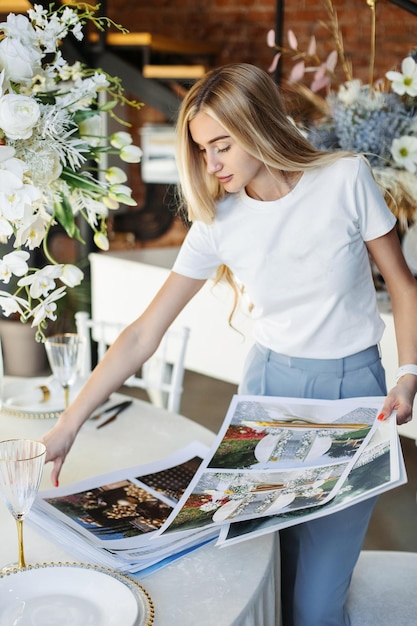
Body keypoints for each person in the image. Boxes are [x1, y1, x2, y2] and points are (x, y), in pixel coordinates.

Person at [42, 63, 417, 626]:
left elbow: (405, 287)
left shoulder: (345, 179)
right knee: (271, 572)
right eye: (202, 150)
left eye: (222, 145)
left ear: (260, 127)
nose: (211, 165)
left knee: (315, 608)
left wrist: (408, 373)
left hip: (354, 396)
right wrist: (67, 425)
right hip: (266, 392)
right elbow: (145, 332)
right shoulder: (218, 221)